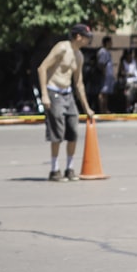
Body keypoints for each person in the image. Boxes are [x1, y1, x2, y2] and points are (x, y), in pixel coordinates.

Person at [37, 24, 95, 181]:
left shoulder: (79, 56)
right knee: (57, 132)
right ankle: (54, 170)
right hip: (53, 91)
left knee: (73, 131)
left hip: (68, 94)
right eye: (87, 37)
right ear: (78, 37)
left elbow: (79, 83)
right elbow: (42, 68)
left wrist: (87, 108)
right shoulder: (62, 48)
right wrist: (44, 95)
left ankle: (69, 168)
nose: (88, 40)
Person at [95, 36, 116, 114]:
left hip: (108, 76)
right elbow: (101, 64)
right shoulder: (102, 52)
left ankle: (105, 108)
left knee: (106, 93)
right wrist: (103, 73)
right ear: (107, 43)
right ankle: (101, 109)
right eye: (110, 42)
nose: (111, 44)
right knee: (102, 92)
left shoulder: (107, 52)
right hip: (104, 75)